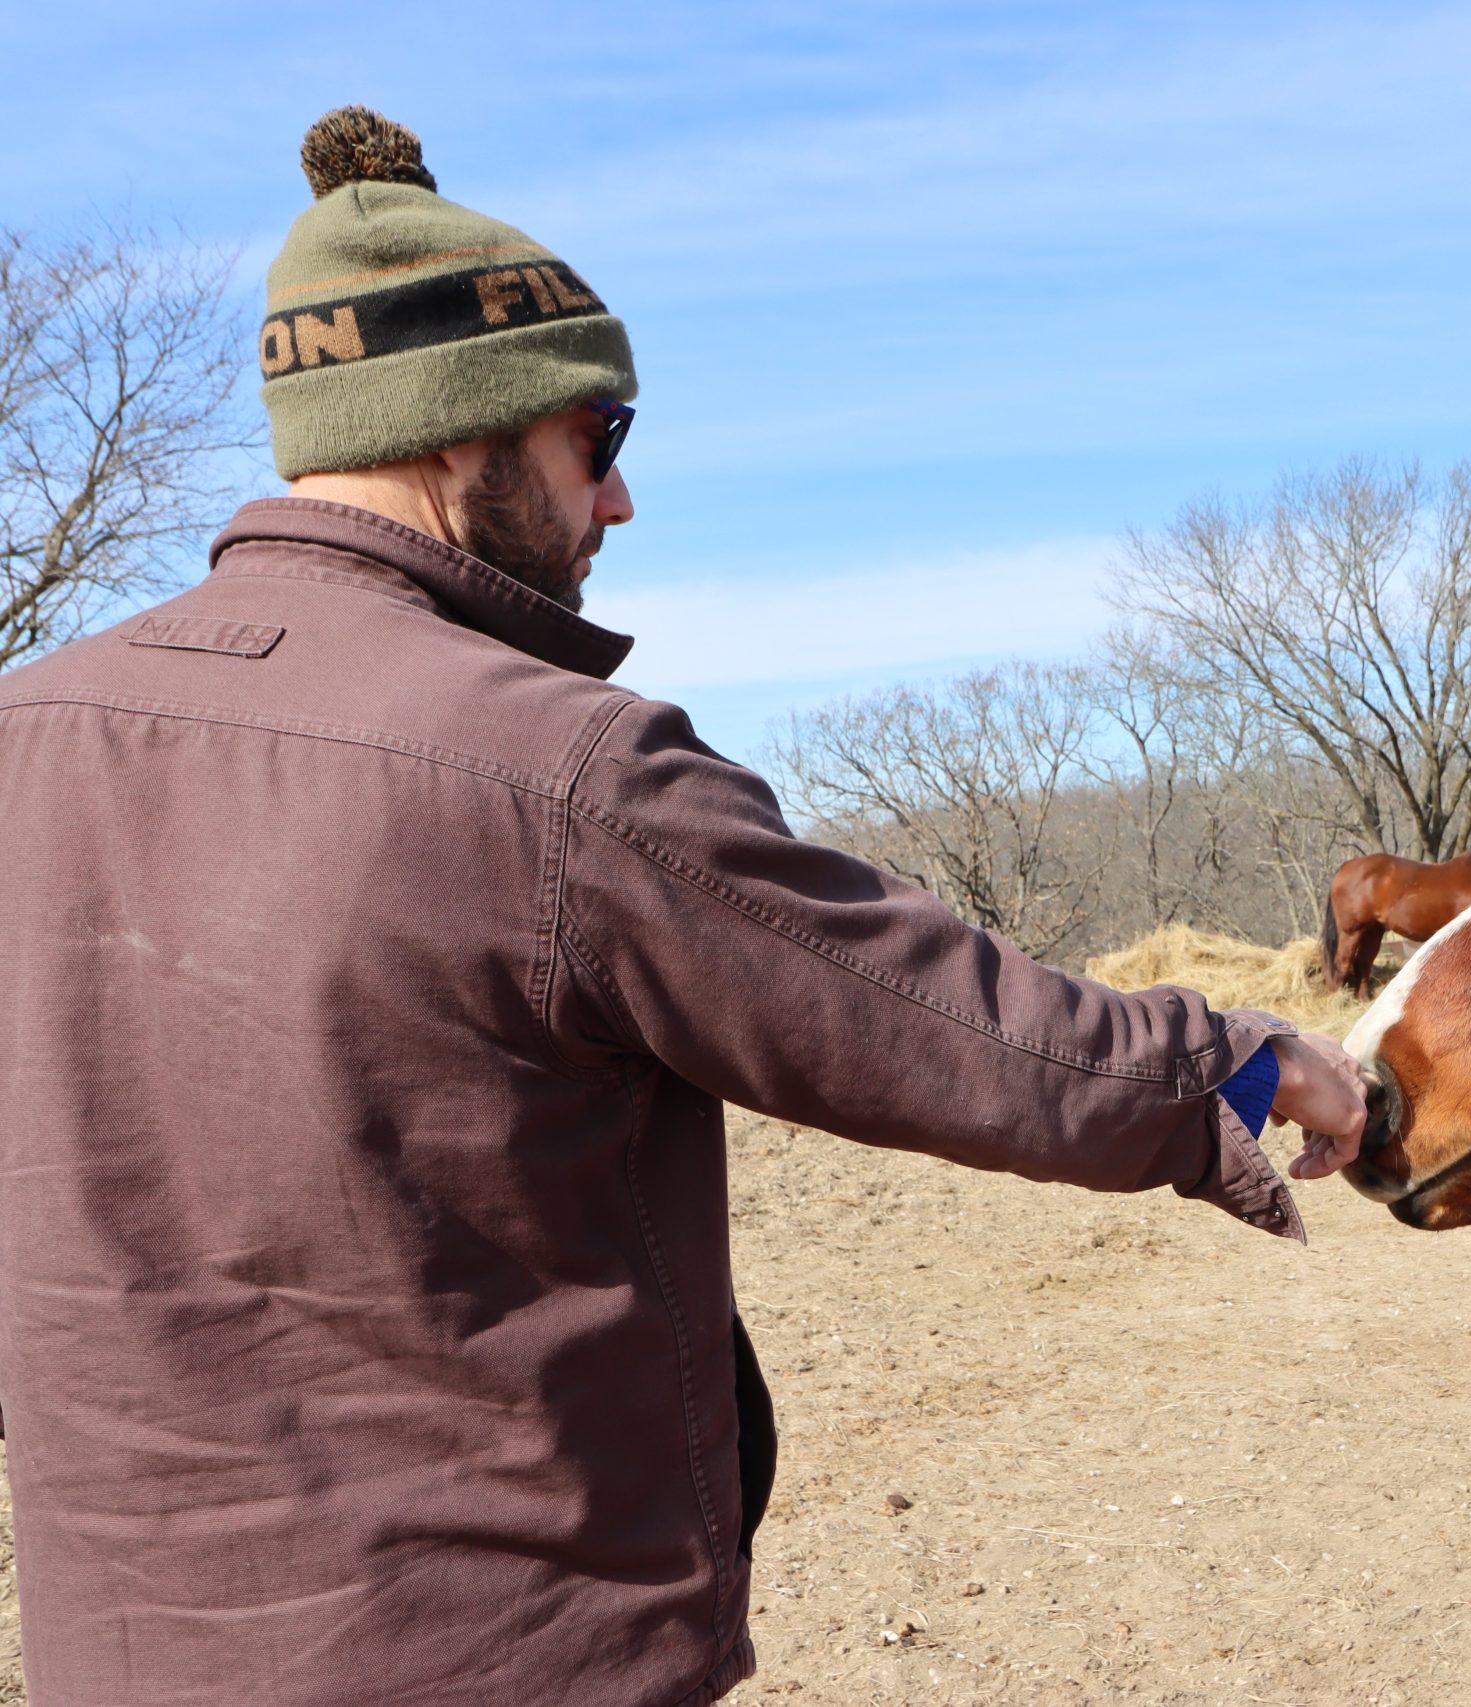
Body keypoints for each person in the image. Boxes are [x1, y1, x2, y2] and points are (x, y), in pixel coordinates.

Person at [0, 107, 1367, 1707]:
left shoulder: (24, 736)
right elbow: (941, 1023)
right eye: (601, 435)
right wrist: (1242, 1062)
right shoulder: (563, 770)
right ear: (458, 432)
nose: (622, 500)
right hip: (512, 1658)